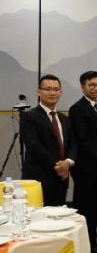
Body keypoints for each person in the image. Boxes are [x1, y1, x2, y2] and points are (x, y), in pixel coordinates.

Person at [69, 71, 97, 253]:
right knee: (83, 210)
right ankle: (82, 250)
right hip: (85, 167)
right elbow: (82, 140)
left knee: (95, 209)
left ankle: (93, 245)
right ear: (83, 87)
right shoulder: (77, 109)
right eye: (91, 85)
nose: (96, 88)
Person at [20, 74, 77, 207]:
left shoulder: (64, 119)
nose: (52, 92)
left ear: (61, 92)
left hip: (61, 179)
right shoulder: (29, 116)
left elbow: (74, 143)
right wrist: (59, 166)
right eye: (48, 89)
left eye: (56, 89)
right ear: (39, 91)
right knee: (37, 220)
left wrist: (68, 162)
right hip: (38, 178)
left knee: (57, 217)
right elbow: (34, 146)